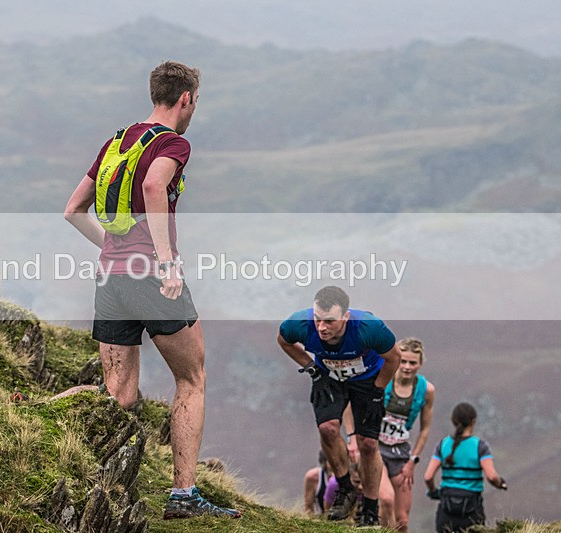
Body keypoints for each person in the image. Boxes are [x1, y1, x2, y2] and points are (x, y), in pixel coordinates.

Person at [64, 61, 240, 520]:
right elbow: (153, 183)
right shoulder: (173, 144)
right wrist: (164, 263)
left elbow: (72, 210)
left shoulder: (116, 142)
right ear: (186, 99)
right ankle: (183, 496)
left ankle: (81, 463)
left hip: (111, 278)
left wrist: (115, 251)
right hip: (152, 279)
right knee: (192, 378)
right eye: (195, 100)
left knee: (118, 394)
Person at [278, 286, 401, 527]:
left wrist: (378, 391)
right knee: (327, 429)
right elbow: (283, 341)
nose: (322, 327)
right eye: (318, 319)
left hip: (368, 380)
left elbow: (394, 358)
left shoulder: (369, 327)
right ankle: (345, 490)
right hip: (329, 377)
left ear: (345, 317)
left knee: (368, 444)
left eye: (330, 321)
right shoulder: (300, 324)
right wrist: (312, 369)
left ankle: (369, 508)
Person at [376, 337, 435, 532]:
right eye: (403, 361)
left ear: (420, 364)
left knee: (402, 520)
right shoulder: (384, 378)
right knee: (385, 500)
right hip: (376, 449)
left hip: (401, 453)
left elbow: (425, 428)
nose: (407, 367)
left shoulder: (426, 390)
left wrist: (412, 461)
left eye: (412, 363)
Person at [424, 402, 508, 533]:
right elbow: (491, 476)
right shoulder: (480, 447)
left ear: (453, 421)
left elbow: (428, 476)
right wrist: (500, 484)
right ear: (473, 422)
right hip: (472, 510)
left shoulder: (442, 445)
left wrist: (434, 492)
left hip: (446, 511)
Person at [304, 450, 334, 515]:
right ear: (324, 462)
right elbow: (308, 508)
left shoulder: (351, 476)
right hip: (324, 520)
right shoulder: (313, 477)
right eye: (331, 460)